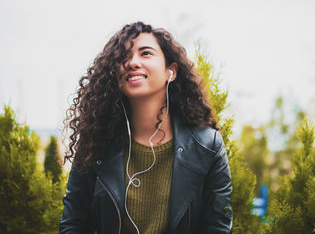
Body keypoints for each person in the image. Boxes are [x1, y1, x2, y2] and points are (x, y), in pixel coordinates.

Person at [59, 21, 233, 234]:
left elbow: (217, 228)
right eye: (123, 57)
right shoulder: (95, 143)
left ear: (171, 71)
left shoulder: (208, 146)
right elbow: (73, 225)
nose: (132, 63)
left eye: (146, 53)